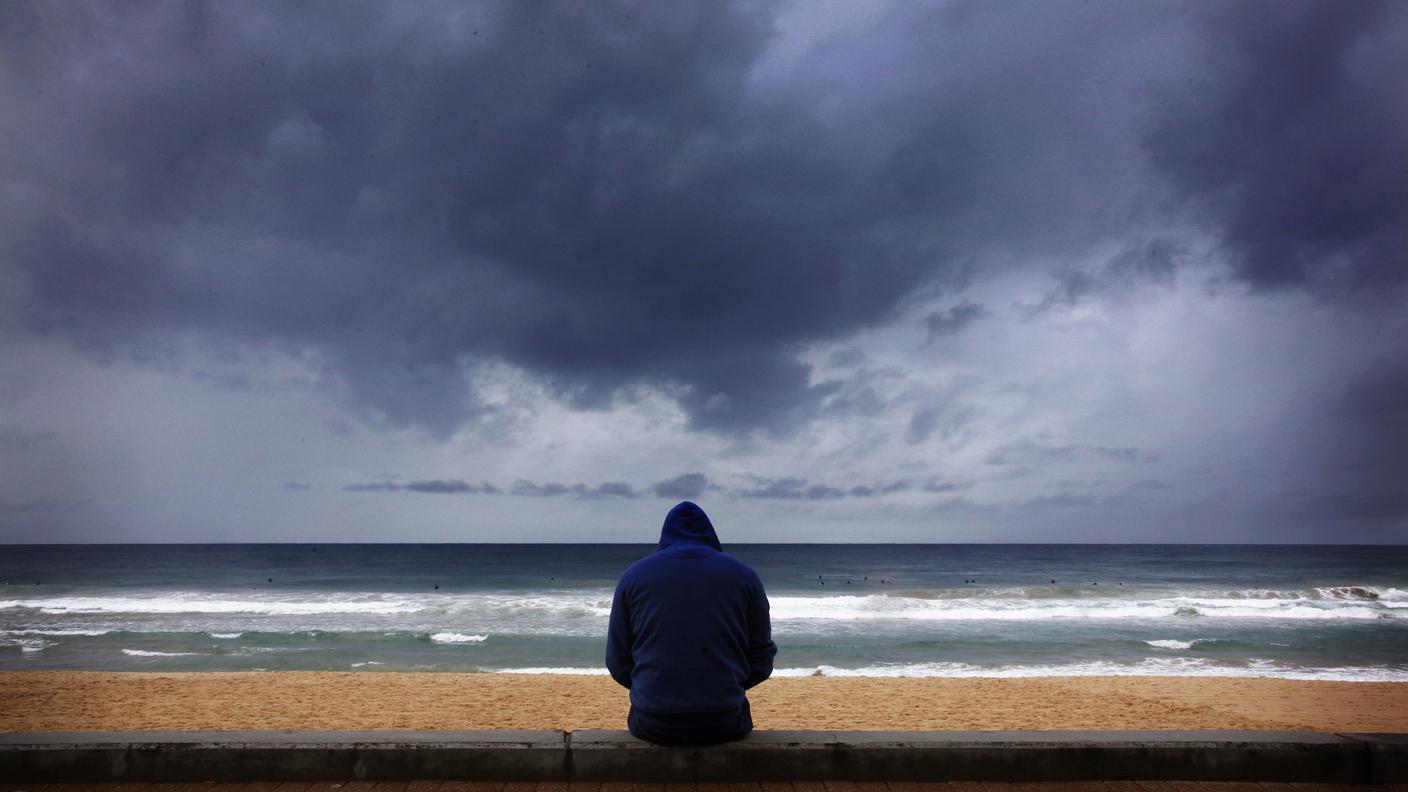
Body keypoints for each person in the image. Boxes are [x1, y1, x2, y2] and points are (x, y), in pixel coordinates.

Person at [605, 501, 776, 745]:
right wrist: (729, 686)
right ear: (710, 534)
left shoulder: (633, 576)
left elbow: (617, 660)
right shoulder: (744, 575)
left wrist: (651, 690)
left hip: (653, 721)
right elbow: (761, 657)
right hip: (723, 720)